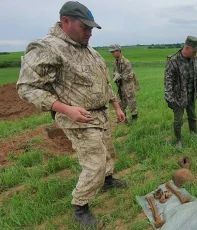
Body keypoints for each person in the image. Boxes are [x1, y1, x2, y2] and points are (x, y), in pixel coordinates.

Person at [16, 1, 127, 228]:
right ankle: (80, 206)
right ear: (65, 21)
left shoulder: (89, 50)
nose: (89, 33)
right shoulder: (48, 47)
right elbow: (26, 87)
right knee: (94, 163)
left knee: (108, 153)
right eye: (84, 27)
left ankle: (107, 181)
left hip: (101, 115)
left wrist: (116, 105)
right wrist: (65, 109)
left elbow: (104, 83)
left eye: (91, 29)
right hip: (77, 119)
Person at [164, 35, 197, 149]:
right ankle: (178, 140)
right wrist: (169, 98)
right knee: (178, 120)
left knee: (192, 116)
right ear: (187, 48)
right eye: (194, 51)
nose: (196, 54)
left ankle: (193, 133)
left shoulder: (196, 60)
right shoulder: (173, 60)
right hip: (178, 97)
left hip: (191, 94)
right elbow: (168, 80)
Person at [109, 44, 140, 121]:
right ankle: (123, 118)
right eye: (111, 52)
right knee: (121, 102)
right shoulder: (115, 63)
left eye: (113, 51)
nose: (112, 53)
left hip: (128, 86)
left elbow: (129, 76)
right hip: (120, 86)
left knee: (131, 102)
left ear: (119, 51)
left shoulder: (126, 62)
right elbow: (114, 73)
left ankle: (134, 118)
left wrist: (120, 76)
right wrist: (115, 77)